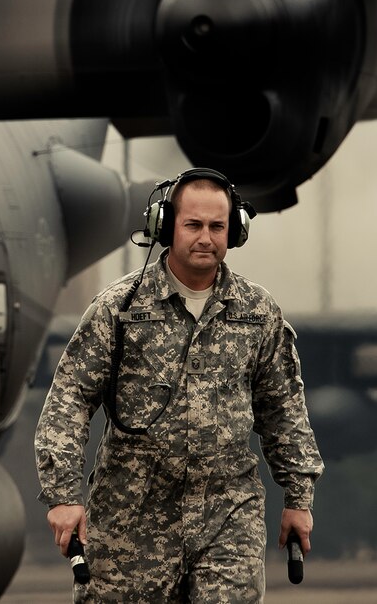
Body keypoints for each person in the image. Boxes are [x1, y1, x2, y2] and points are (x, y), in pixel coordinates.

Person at [34, 167, 324, 602]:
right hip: (131, 521)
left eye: (216, 226)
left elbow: (283, 410)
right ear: (166, 226)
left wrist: (299, 497)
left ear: (235, 231)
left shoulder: (258, 313)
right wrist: (62, 495)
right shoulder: (119, 309)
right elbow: (70, 398)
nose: (205, 237)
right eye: (193, 225)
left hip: (227, 514)